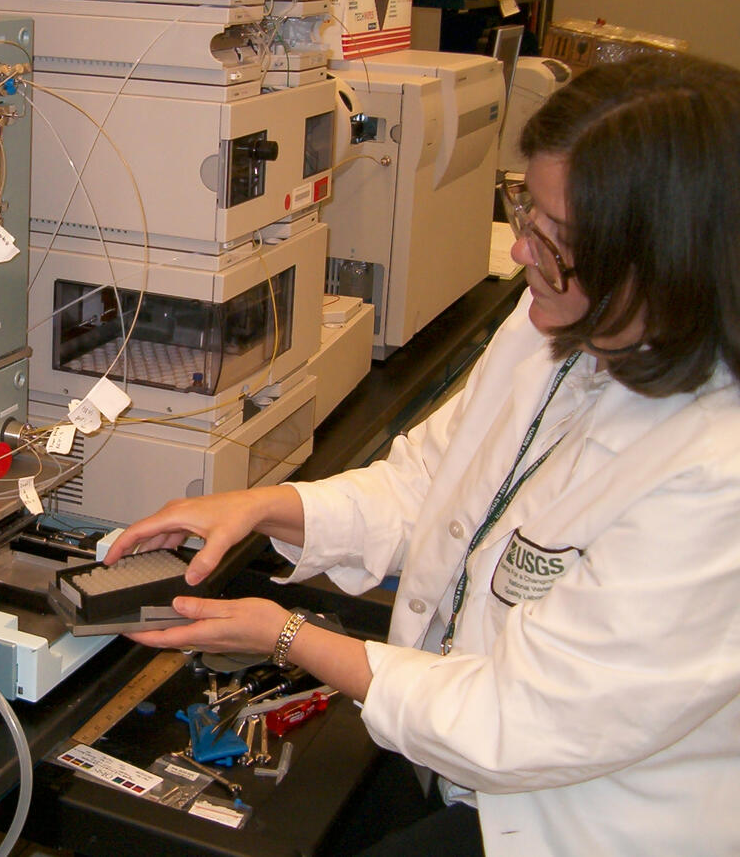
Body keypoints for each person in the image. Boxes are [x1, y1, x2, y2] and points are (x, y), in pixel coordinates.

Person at [103, 53, 740, 856]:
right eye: (525, 212)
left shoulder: (717, 476)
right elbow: (431, 482)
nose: (518, 255)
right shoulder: (553, 327)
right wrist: (265, 507)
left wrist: (288, 639)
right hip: (450, 744)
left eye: (551, 237)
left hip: (583, 820)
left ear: (662, 262)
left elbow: (519, 723)